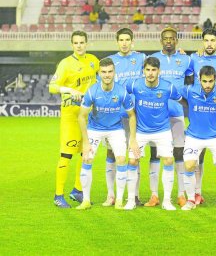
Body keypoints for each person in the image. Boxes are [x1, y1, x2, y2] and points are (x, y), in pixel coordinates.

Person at [77, 58, 139, 210]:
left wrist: (132, 138)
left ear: (114, 72)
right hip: (95, 129)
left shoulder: (121, 91)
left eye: (110, 71)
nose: (107, 75)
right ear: (99, 73)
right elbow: (81, 116)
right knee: (87, 158)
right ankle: (85, 200)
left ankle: (118, 200)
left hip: (115, 129)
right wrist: (85, 142)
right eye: (104, 72)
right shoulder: (92, 91)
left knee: (121, 159)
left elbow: (132, 115)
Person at [49, 31, 99, 208]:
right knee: (66, 155)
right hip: (71, 115)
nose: (79, 45)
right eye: (76, 43)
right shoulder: (65, 64)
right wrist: (69, 91)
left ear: (87, 43)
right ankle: (58, 195)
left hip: (88, 116)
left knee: (85, 154)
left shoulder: (93, 60)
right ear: (72, 45)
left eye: (82, 42)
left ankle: (77, 190)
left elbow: (102, 77)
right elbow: (52, 87)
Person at [126, 57, 183, 211]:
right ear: (143, 71)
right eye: (148, 70)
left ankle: (167, 201)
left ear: (159, 71)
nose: (150, 73)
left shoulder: (168, 87)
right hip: (141, 131)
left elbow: (181, 100)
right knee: (132, 162)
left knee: (169, 161)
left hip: (163, 131)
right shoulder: (134, 85)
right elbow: (121, 94)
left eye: (154, 70)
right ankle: (131, 200)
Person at [180, 66, 216, 211]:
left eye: (210, 81)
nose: (207, 85)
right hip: (194, 136)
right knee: (189, 166)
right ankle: (191, 200)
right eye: (204, 81)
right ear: (199, 80)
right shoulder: (189, 91)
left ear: (215, 80)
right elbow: (172, 92)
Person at [189, 28, 216, 205]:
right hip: (199, 114)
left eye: (212, 40)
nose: (209, 44)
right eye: (206, 40)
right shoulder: (194, 59)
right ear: (202, 42)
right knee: (199, 156)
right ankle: (197, 193)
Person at [149, 27, 193, 207]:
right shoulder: (151, 59)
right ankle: (154, 195)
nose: (168, 41)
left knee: (179, 152)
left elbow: (190, 83)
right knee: (155, 153)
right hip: (156, 114)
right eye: (165, 38)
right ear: (161, 40)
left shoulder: (186, 60)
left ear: (176, 40)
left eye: (172, 38)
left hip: (177, 113)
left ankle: (181, 194)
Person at [104, 28, 146, 208]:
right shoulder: (110, 61)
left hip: (134, 116)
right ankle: (111, 194)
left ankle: (134, 195)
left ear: (132, 41)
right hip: (114, 115)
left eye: (127, 39)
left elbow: (161, 68)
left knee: (134, 155)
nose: (124, 43)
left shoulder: (141, 58)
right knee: (111, 153)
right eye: (121, 39)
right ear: (117, 41)